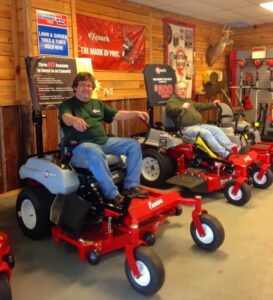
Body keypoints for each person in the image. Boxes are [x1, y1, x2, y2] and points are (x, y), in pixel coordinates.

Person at [59, 72, 149, 206]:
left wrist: (136, 113)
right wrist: (74, 120)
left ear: (93, 88)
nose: (86, 88)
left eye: (89, 86)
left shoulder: (97, 104)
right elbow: (65, 117)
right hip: (79, 146)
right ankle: (112, 194)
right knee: (94, 151)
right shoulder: (68, 104)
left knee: (133, 145)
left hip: (103, 142)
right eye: (82, 85)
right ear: (75, 88)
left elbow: (117, 115)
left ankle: (131, 186)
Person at [166, 81, 238, 159]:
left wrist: (212, 104)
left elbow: (200, 106)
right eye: (180, 89)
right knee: (206, 133)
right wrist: (181, 108)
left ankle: (232, 148)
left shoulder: (188, 101)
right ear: (176, 91)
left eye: (184, 89)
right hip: (186, 129)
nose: (183, 91)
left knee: (216, 129)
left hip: (199, 125)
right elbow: (170, 109)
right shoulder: (172, 101)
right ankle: (225, 154)